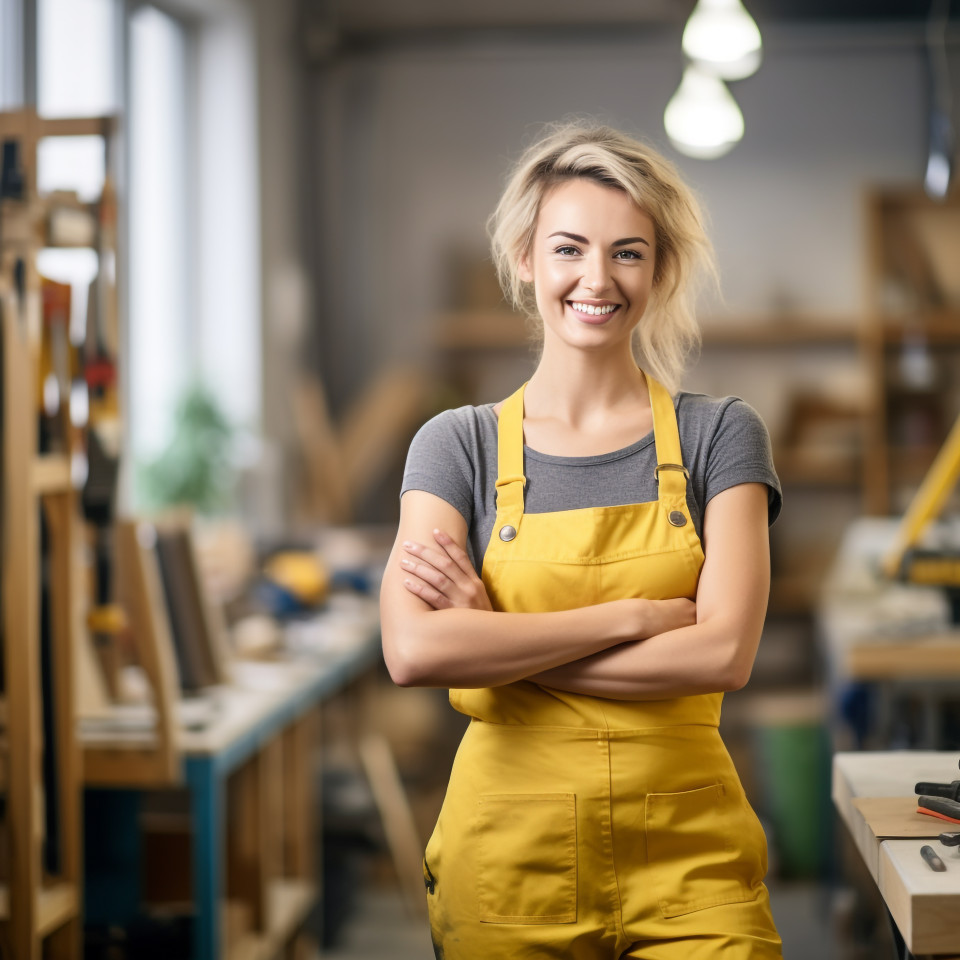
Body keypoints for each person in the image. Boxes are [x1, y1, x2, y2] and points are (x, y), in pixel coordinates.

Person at [379, 121, 784, 960]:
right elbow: (414, 650)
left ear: (660, 269)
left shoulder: (721, 437)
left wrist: (493, 641)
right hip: (508, 868)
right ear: (526, 258)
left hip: (691, 864)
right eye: (569, 249)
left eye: (628, 253)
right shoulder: (457, 446)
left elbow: (723, 657)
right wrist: (631, 618)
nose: (596, 279)